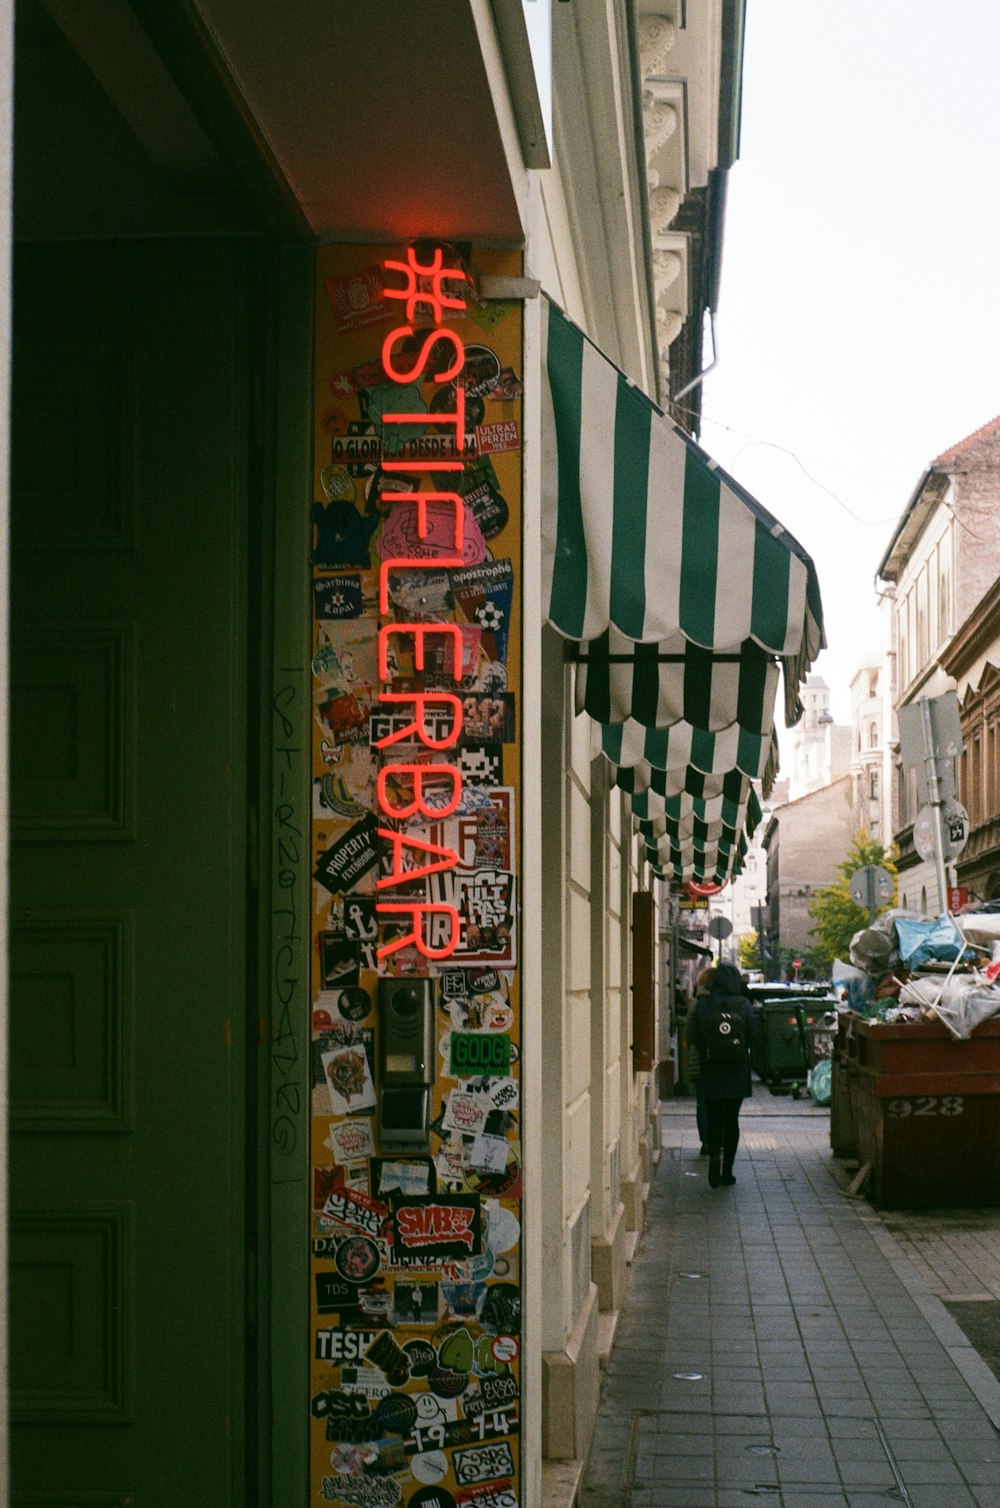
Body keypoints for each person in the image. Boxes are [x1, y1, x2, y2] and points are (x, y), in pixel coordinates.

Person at [686, 961, 758, 1188]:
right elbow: (755, 1038)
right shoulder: (743, 1004)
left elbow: (693, 1037)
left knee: (715, 1118)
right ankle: (728, 1171)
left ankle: (714, 1163)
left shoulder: (704, 1004)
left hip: (711, 1068)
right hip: (737, 1070)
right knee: (732, 1120)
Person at [686, 967, 715, 1155]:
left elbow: (689, 1034)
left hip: (699, 1060)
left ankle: (706, 1141)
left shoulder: (696, 1004)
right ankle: (718, 1139)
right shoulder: (724, 1002)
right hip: (721, 1061)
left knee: (702, 1102)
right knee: (719, 1102)